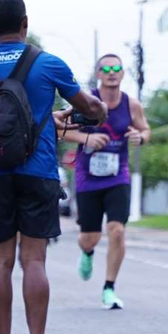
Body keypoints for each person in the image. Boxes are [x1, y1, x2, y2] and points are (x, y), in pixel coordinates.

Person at [0, 0, 107, 334]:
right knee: (33, 260)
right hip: (38, 170)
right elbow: (88, 106)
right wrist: (99, 110)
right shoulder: (48, 63)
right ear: (26, 22)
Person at [57, 53, 151, 310]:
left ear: (122, 74)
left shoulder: (131, 105)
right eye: (106, 68)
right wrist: (86, 139)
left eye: (117, 68)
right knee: (90, 237)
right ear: (98, 73)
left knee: (117, 230)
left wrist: (139, 137)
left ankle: (109, 287)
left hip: (117, 174)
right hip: (87, 177)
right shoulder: (85, 101)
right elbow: (58, 128)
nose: (112, 72)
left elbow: (145, 129)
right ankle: (87, 252)